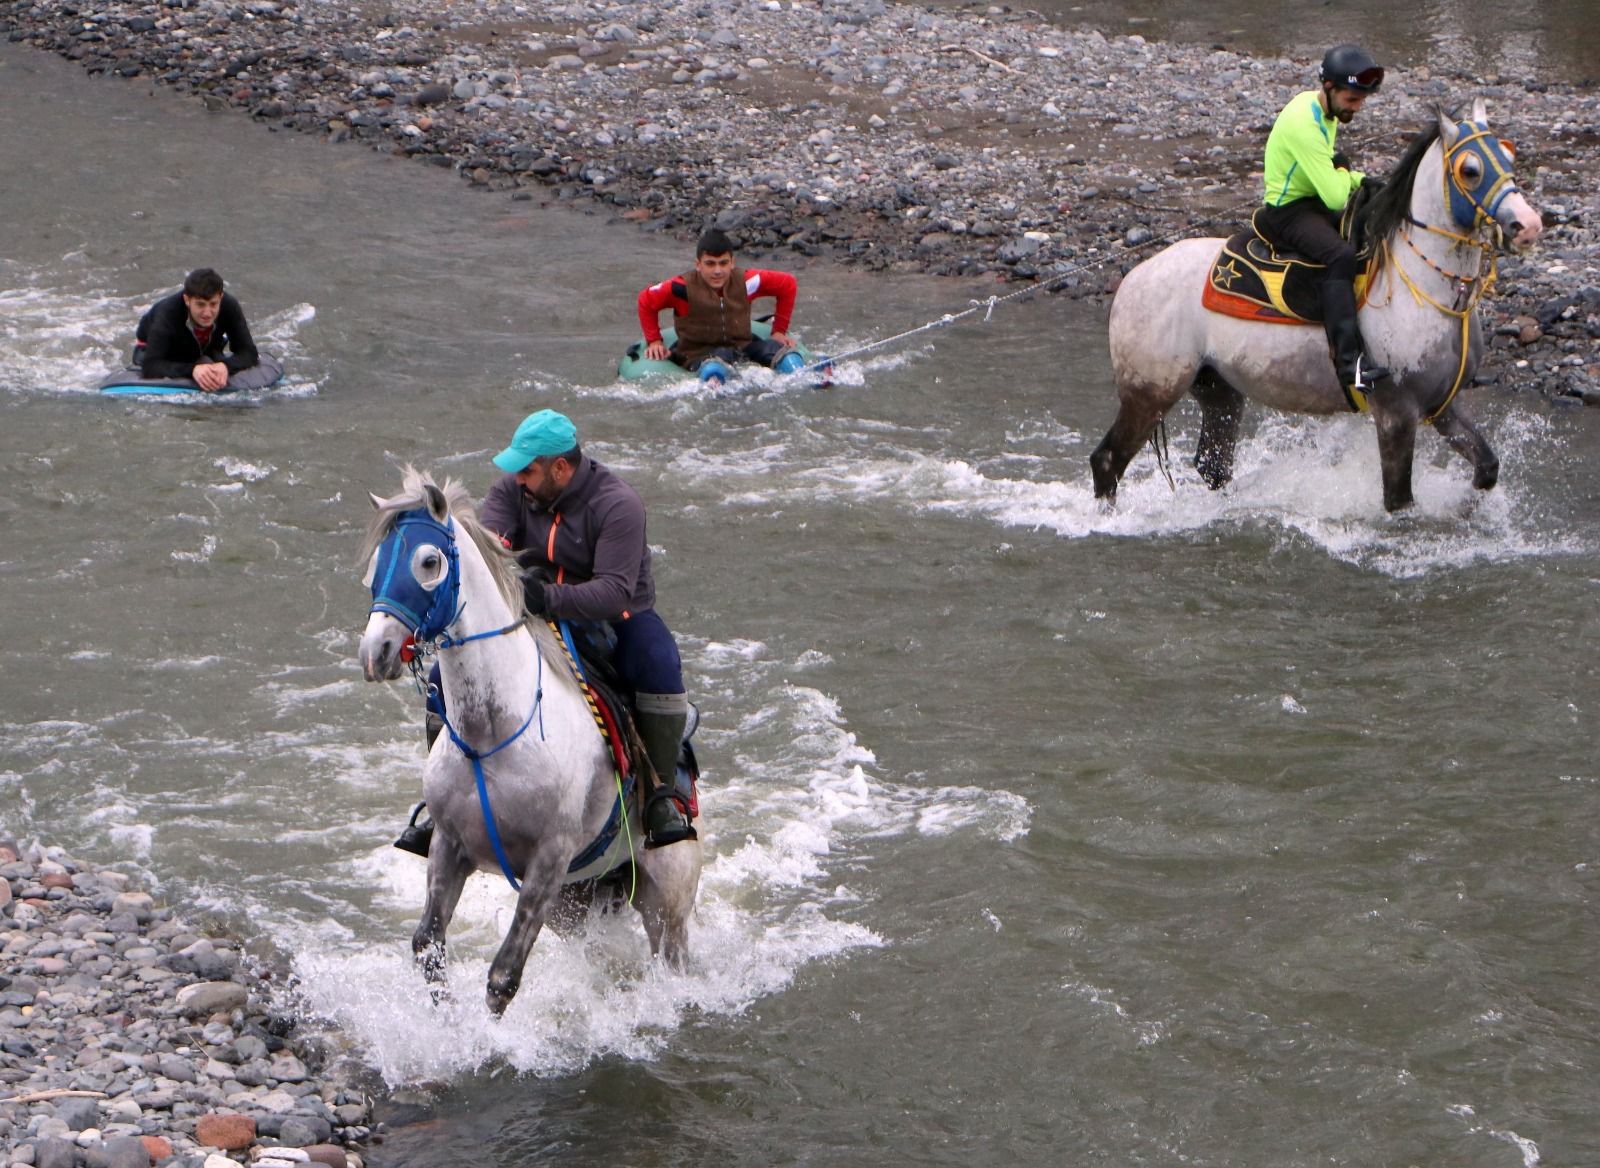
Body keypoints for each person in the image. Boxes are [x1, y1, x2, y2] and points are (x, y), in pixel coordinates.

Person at [479, 409, 695, 848]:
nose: (518, 479)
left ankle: (661, 792)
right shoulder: (510, 488)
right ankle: (449, 801)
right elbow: (488, 549)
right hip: (531, 613)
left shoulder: (618, 504)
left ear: (560, 467)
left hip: (616, 620)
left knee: (659, 664)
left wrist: (546, 598)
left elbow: (613, 593)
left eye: (528, 470)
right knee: (447, 674)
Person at [1256, 45, 1390, 403]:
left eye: (1362, 100)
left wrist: (1360, 179)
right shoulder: (1305, 123)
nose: (1357, 106)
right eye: (1351, 98)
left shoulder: (1325, 112)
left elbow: (1330, 173)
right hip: (1288, 212)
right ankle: (1349, 364)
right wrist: (1347, 173)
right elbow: (1333, 196)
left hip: (1310, 198)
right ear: (1328, 87)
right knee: (1341, 257)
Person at [637, 227, 806, 385]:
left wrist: (779, 331)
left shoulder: (747, 282)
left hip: (743, 346)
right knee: (715, 363)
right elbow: (645, 300)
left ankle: (804, 375)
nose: (718, 271)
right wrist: (655, 341)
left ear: (732, 262)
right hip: (697, 353)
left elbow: (788, 284)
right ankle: (715, 384)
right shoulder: (681, 288)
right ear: (698, 264)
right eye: (710, 264)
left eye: (723, 263)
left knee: (777, 350)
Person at [133, 268, 260, 392]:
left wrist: (226, 366)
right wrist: (193, 369)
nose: (207, 313)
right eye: (200, 304)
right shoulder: (167, 313)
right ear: (187, 300)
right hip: (163, 351)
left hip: (206, 347)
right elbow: (151, 365)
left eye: (213, 304)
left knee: (213, 361)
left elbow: (249, 352)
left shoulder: (229, 306)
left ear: (220, 297)